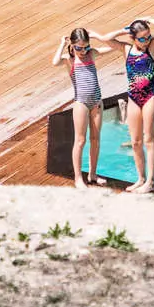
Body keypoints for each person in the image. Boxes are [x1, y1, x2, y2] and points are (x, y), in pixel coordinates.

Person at [100, 17, 154, 194]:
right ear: (133, 38)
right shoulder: (126, 49)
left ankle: (151, 182)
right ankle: (141, 178)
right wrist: (123, 31)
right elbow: (106, 39)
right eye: (142, 38)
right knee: (136, 142)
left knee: (149, 139)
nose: (147, 41)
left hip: (149, 97)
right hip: (133, 99)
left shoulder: (152, 48)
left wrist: (148, 19)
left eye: (148, 36)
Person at [51, 27, 114, 189]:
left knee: (95, 139)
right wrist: (61, 44)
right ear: (72, 45)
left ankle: (92, 174)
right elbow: (55, 62)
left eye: (86, 47)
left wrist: (98, 36)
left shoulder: (91, 54)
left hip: (97, 102)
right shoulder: (70, 60)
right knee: (80, 141)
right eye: (79, 48)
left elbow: (112, 47)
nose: (83, 51)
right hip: (82, 103)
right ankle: (78, 178)